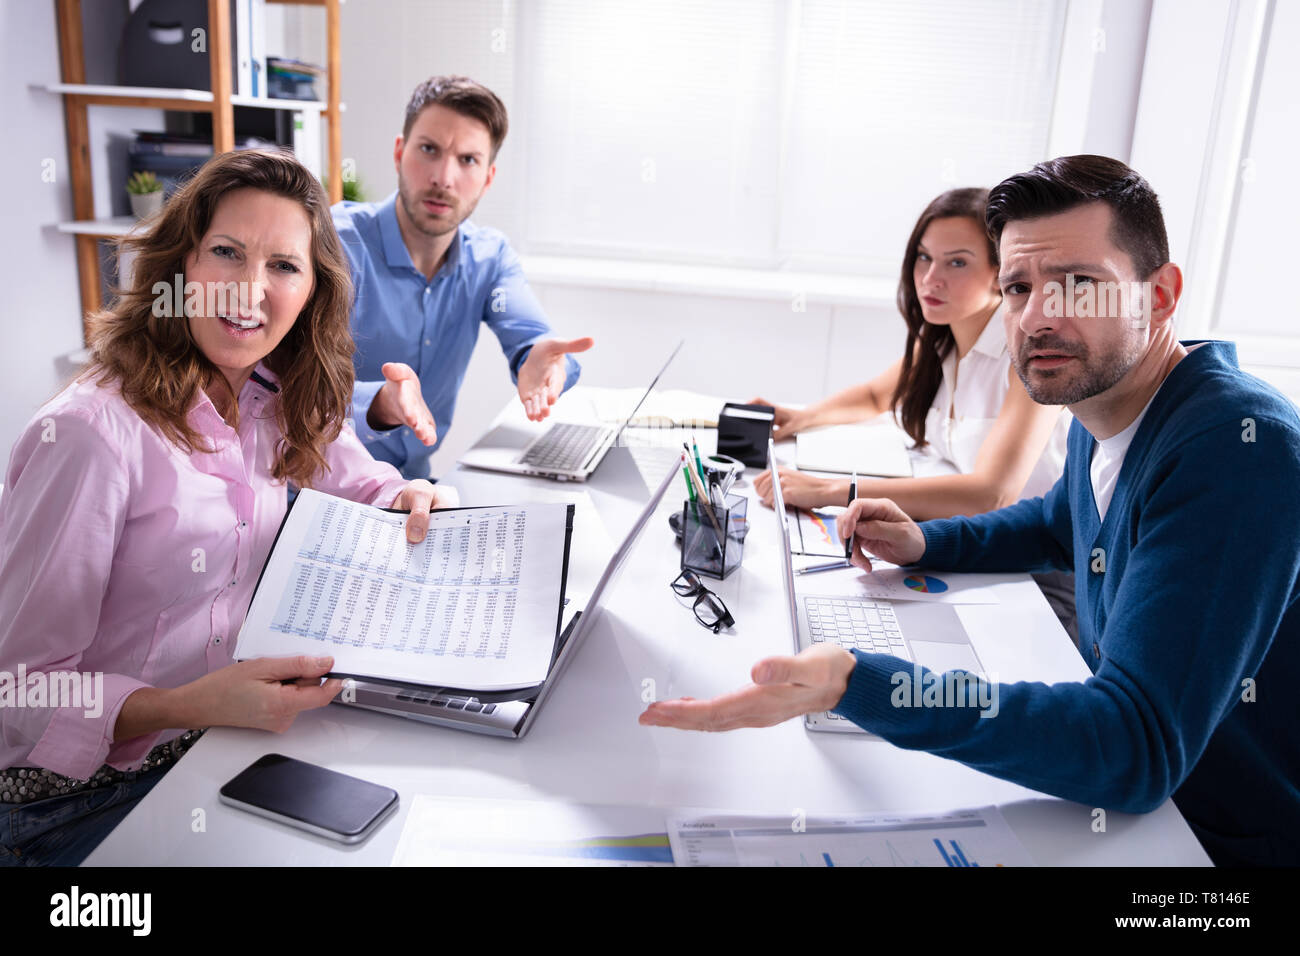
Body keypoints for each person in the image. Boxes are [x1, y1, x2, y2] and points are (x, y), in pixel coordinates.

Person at [640, 155, 1300, 867]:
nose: (1041, 317)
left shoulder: (1237, 449)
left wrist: (859, 683)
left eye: (1079, 285)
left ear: (1160, 296)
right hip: (1136, 820)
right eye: (1019, 286)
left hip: (1211, 846)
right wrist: (925, 543)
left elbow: (1134, 748)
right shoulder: (1113, 395)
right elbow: (1055, 523)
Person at [0, 149, 457, 866]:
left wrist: (414, 495)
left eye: (283, 265)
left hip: (218, 752)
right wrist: (192, 705)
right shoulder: (91, 435)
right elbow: (17, 694)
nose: (248, 289)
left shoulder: (271, 395)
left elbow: (364, 481)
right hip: (76, 802)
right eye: (227, 253)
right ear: (182, 268)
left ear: (312, 291)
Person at [752, 187, 1069, 520]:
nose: (930, 279)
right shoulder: (942, 339)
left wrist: (828, 491)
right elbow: (876, 396)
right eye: (924, 257)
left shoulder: (1032, 354)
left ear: (1000, 274)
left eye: (957, 262)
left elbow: (991, 495)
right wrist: (800, 418)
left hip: (1037, 560)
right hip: (973, 535)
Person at [335, 75, 594, 479]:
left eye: (468, 160)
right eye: (429, 150)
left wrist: (541, 364)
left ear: (488, 178)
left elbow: (533, 341)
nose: (444, 178)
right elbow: (276, 387)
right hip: (314, 496)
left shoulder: (488, 258)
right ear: (400, 153)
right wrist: (379, 403)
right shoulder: (336, 246)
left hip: (411, 489)